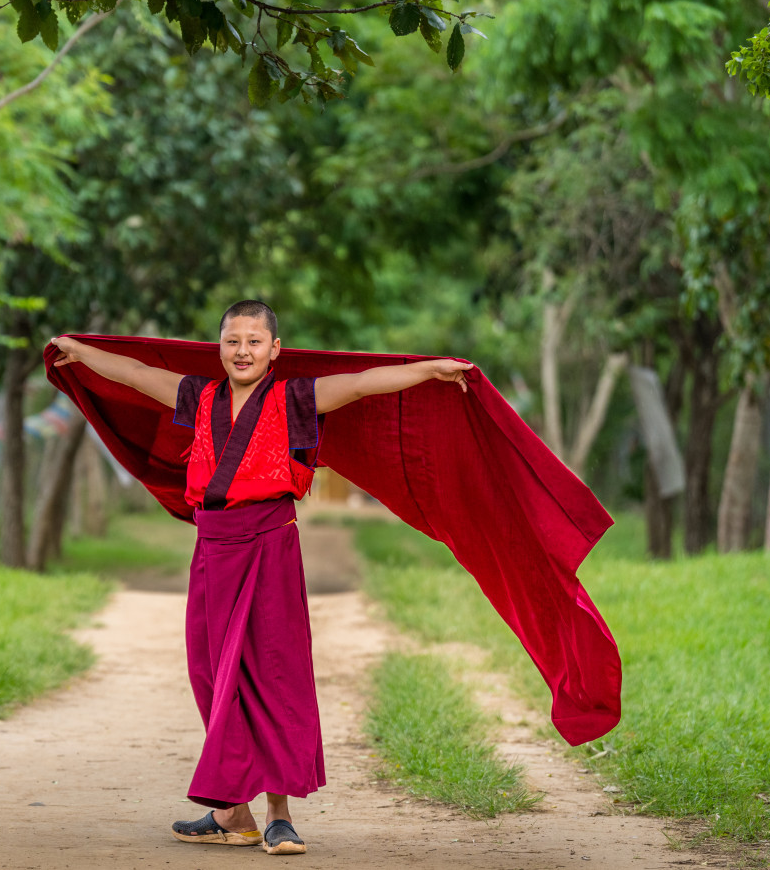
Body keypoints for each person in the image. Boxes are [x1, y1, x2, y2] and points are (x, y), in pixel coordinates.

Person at [50, 300, 471, 856]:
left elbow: (365, 382)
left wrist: (426, 370)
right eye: (232, 341)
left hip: (270, 546)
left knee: (274, 673)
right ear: (219, 348)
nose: (242, 351)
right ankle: (234, 813)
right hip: (213, 550)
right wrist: (80, 353)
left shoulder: (295, 398)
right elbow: (136, 374)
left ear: (275, 350)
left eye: (254, 341)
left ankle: (279, 816)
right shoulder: (199, 398)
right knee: (212, 673)